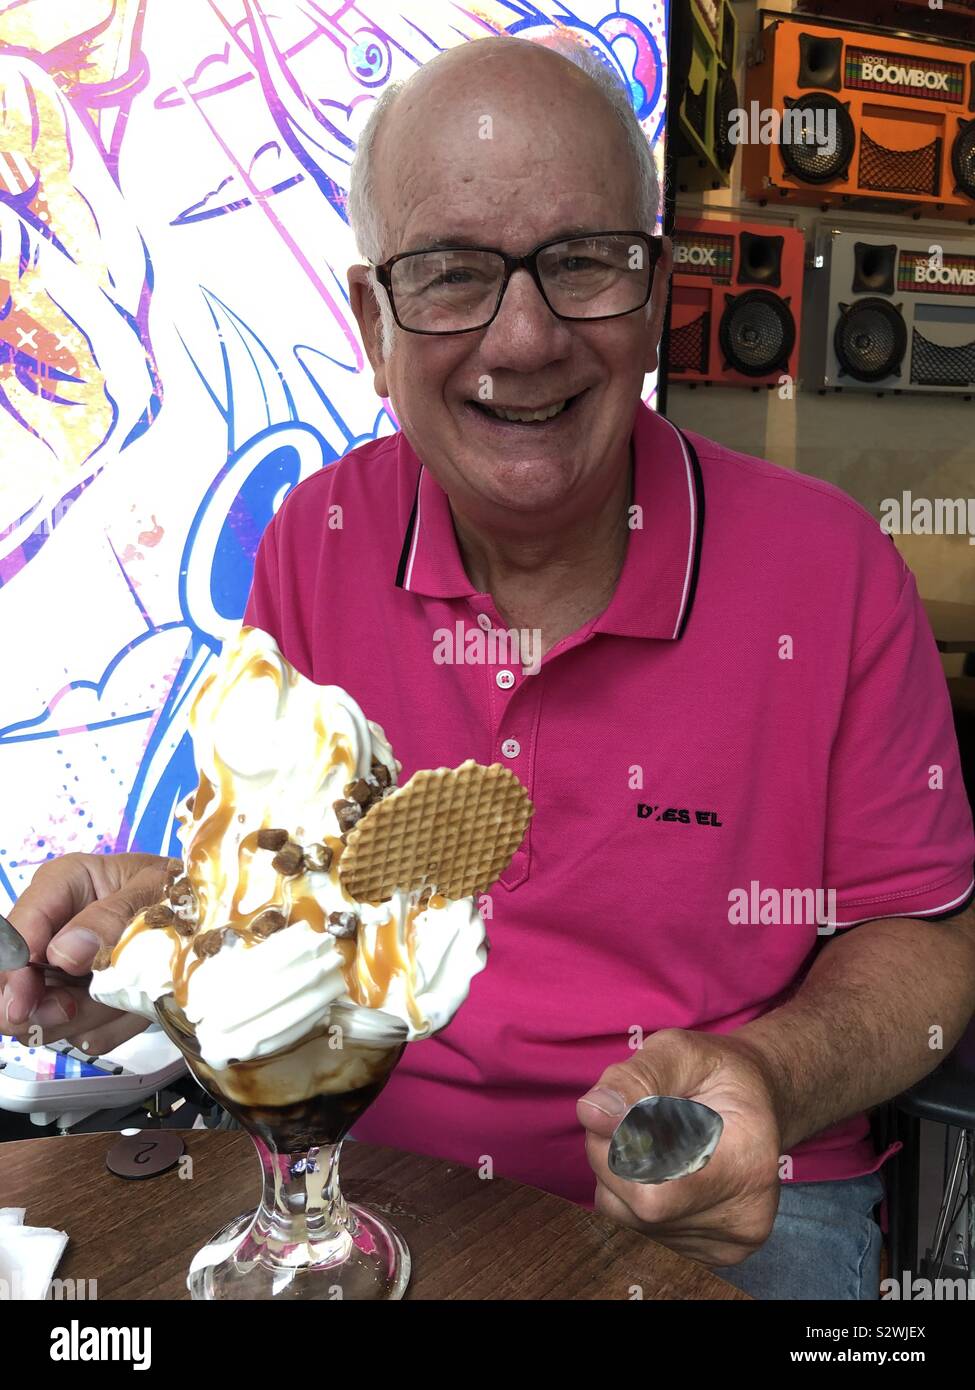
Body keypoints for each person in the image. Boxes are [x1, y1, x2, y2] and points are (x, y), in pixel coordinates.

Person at [3, 34, 974, 1300]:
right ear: (371, 320)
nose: (522, 340)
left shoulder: (830, 569)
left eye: (580, 263)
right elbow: (308, 886)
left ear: (656, 289)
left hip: (734, 1201)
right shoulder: (316, 536)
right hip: (364, 1176)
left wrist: (775, 1078)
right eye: (452, 275)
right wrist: (163, 946)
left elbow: (930, 939)